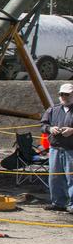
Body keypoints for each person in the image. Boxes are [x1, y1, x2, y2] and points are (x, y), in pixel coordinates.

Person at [41, 83, 73, 212]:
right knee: (55, 177)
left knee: (71, 177)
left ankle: (72, 205)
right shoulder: (53, 110)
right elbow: (43, 125)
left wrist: (72, 130)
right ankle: (58, 203)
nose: (64, 97)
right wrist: (50, 129)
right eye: (61, 94)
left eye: (67, 94)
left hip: (71, 149)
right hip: (55, 148)